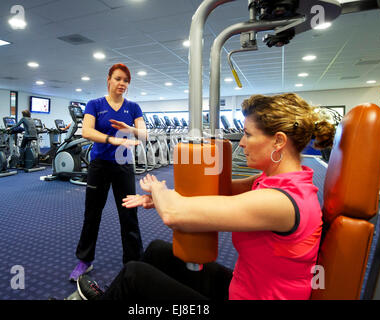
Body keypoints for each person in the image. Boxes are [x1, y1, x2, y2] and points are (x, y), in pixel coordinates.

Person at [75, 92, 336, 300]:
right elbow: (217, 194)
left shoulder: (281, 201)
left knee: (134, 275)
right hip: (244, 286)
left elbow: (176, 216)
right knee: (156, 252)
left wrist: (160, 191)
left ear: (278, 141)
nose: (242, 143)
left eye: (248, 135)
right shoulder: (274, 181)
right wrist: (163, 198)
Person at [69, 63, 148, 282]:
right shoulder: (94, 104)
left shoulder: (133, 107)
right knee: (92, 213)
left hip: (123, 165)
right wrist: (111, 138)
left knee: (129, 215)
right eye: (118, 79)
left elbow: (144, 135)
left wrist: (129, 128)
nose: (122, 84)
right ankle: (85, 260)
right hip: (100, 165)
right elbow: (86, 131)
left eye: (125, 81)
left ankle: (133, 262)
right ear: (109, 80)